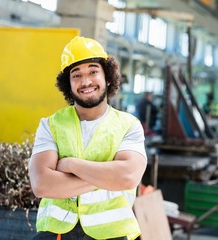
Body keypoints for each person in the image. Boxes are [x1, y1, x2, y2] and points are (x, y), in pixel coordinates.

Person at [28, 36, 147, 240]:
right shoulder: (50, 125)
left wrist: (70, 165)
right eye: (76, 75)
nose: (85, 81)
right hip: (57, 233)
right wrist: (108, 177)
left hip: (113, 234)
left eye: (93, 71)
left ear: (107, 77)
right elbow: (42, 185)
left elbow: (127, 177)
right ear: (68, 84)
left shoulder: (129, 125)